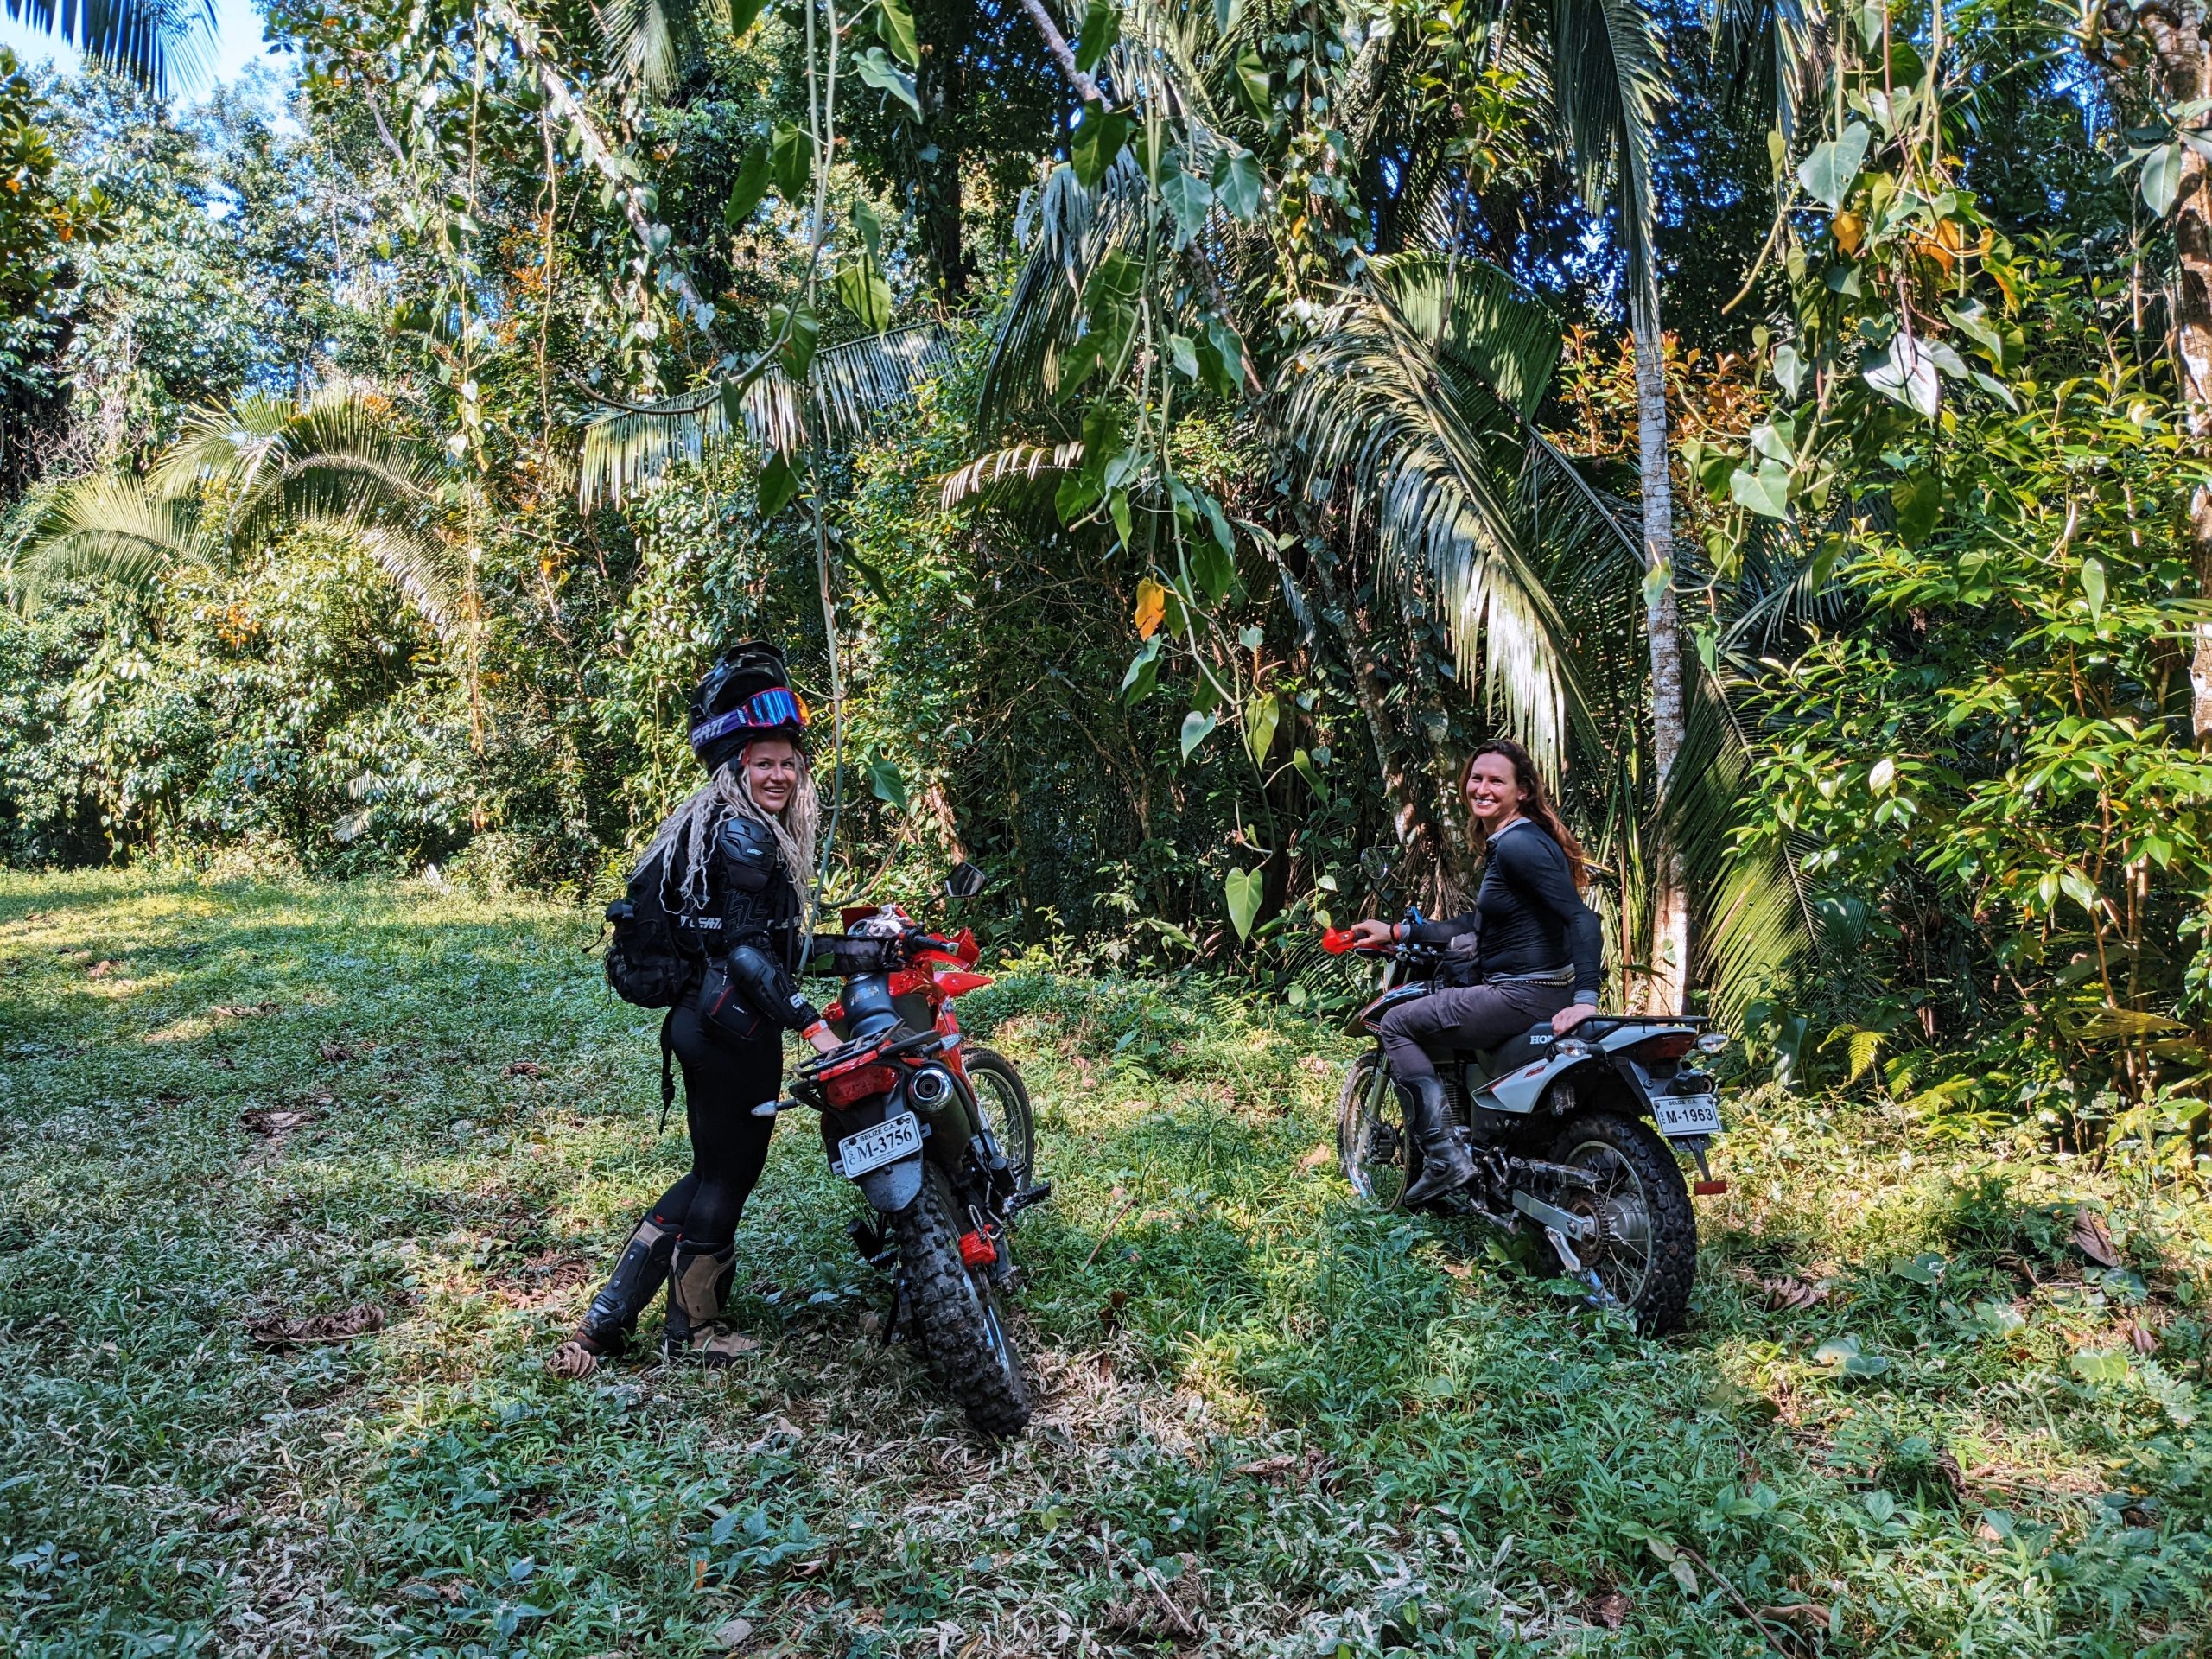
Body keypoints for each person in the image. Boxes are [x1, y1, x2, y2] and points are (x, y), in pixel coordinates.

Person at [550, 642, 843, 1376]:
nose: (778, 774)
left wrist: (861, 949)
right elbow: (748, 955)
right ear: (736, 766)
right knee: (726, 1177)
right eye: (763, 761)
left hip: (704, 1021)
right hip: (729, 1027)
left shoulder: (716, 822)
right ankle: (696, 1331)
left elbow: (772, 944)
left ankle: (607, 1321)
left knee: (710, 1171)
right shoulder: (742, 831)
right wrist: (812, 1022)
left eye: (787, 762)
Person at [1347, 738, 1603, 1205]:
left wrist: (1587, 997)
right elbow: (1477, 925)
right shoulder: (1514, 840)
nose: (1481, 788)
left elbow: (1582, 918)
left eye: (1495, 781)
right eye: (1476, 778)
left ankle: (1444, 1156)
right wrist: (1397, 932)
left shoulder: (1519, 846)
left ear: (1522, 790)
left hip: (1522, 994)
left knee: (1397, 1023)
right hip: (1531, 991)